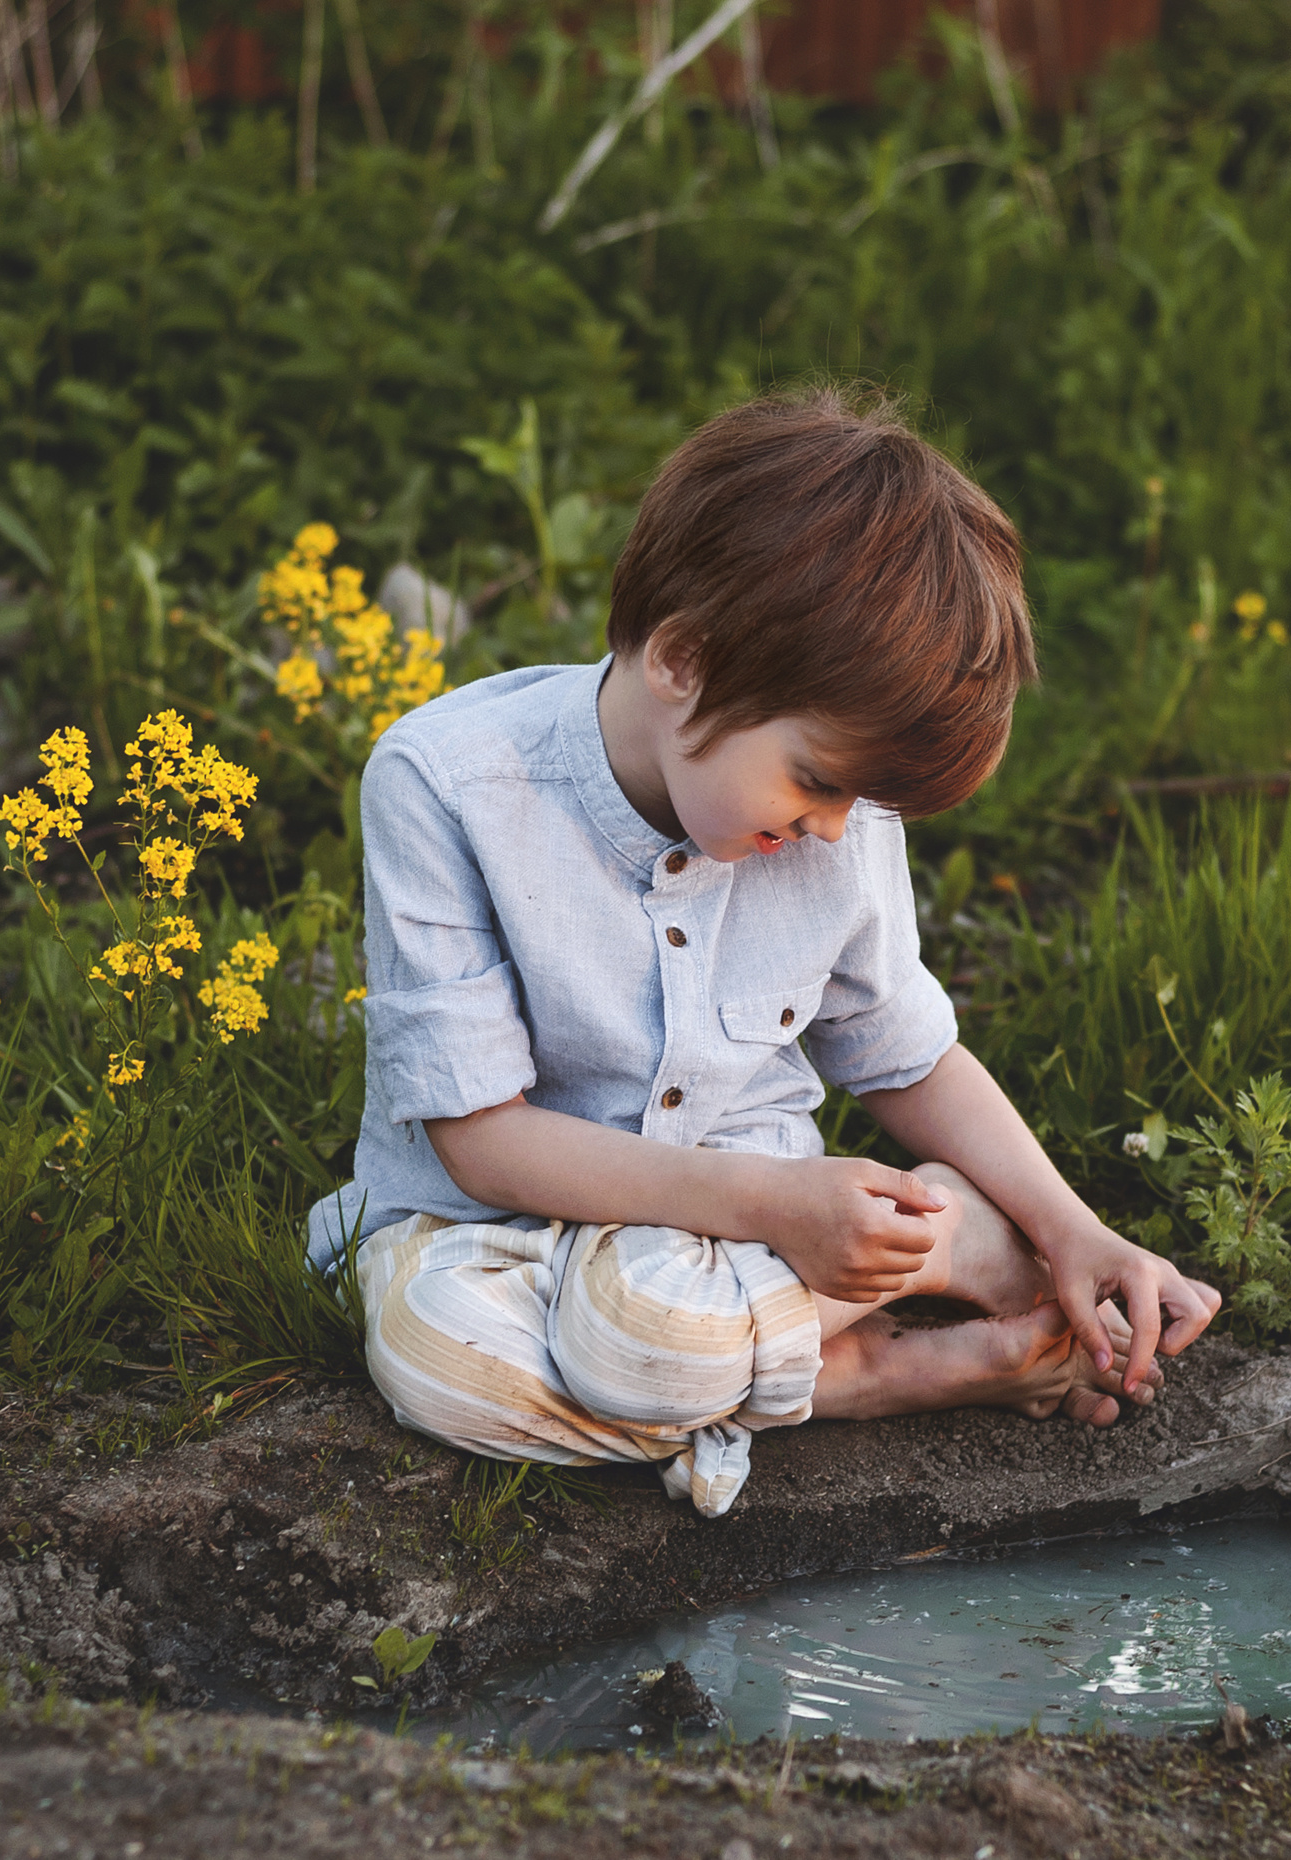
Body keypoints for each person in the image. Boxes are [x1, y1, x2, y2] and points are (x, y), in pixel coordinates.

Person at [303, 385, 1222, 1519]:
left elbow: (904, 1053)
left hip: (714, 1266)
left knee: (649, 1328)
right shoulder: (445, 780)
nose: (836, 826)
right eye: (820, 781)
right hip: (493, 1232)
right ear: (684, 660)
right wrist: (777, 1207)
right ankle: (893, 1350)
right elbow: (481, 1143)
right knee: (438, 1359)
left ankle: (813, 1314)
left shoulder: (838, 816)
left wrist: (1071, 1226)